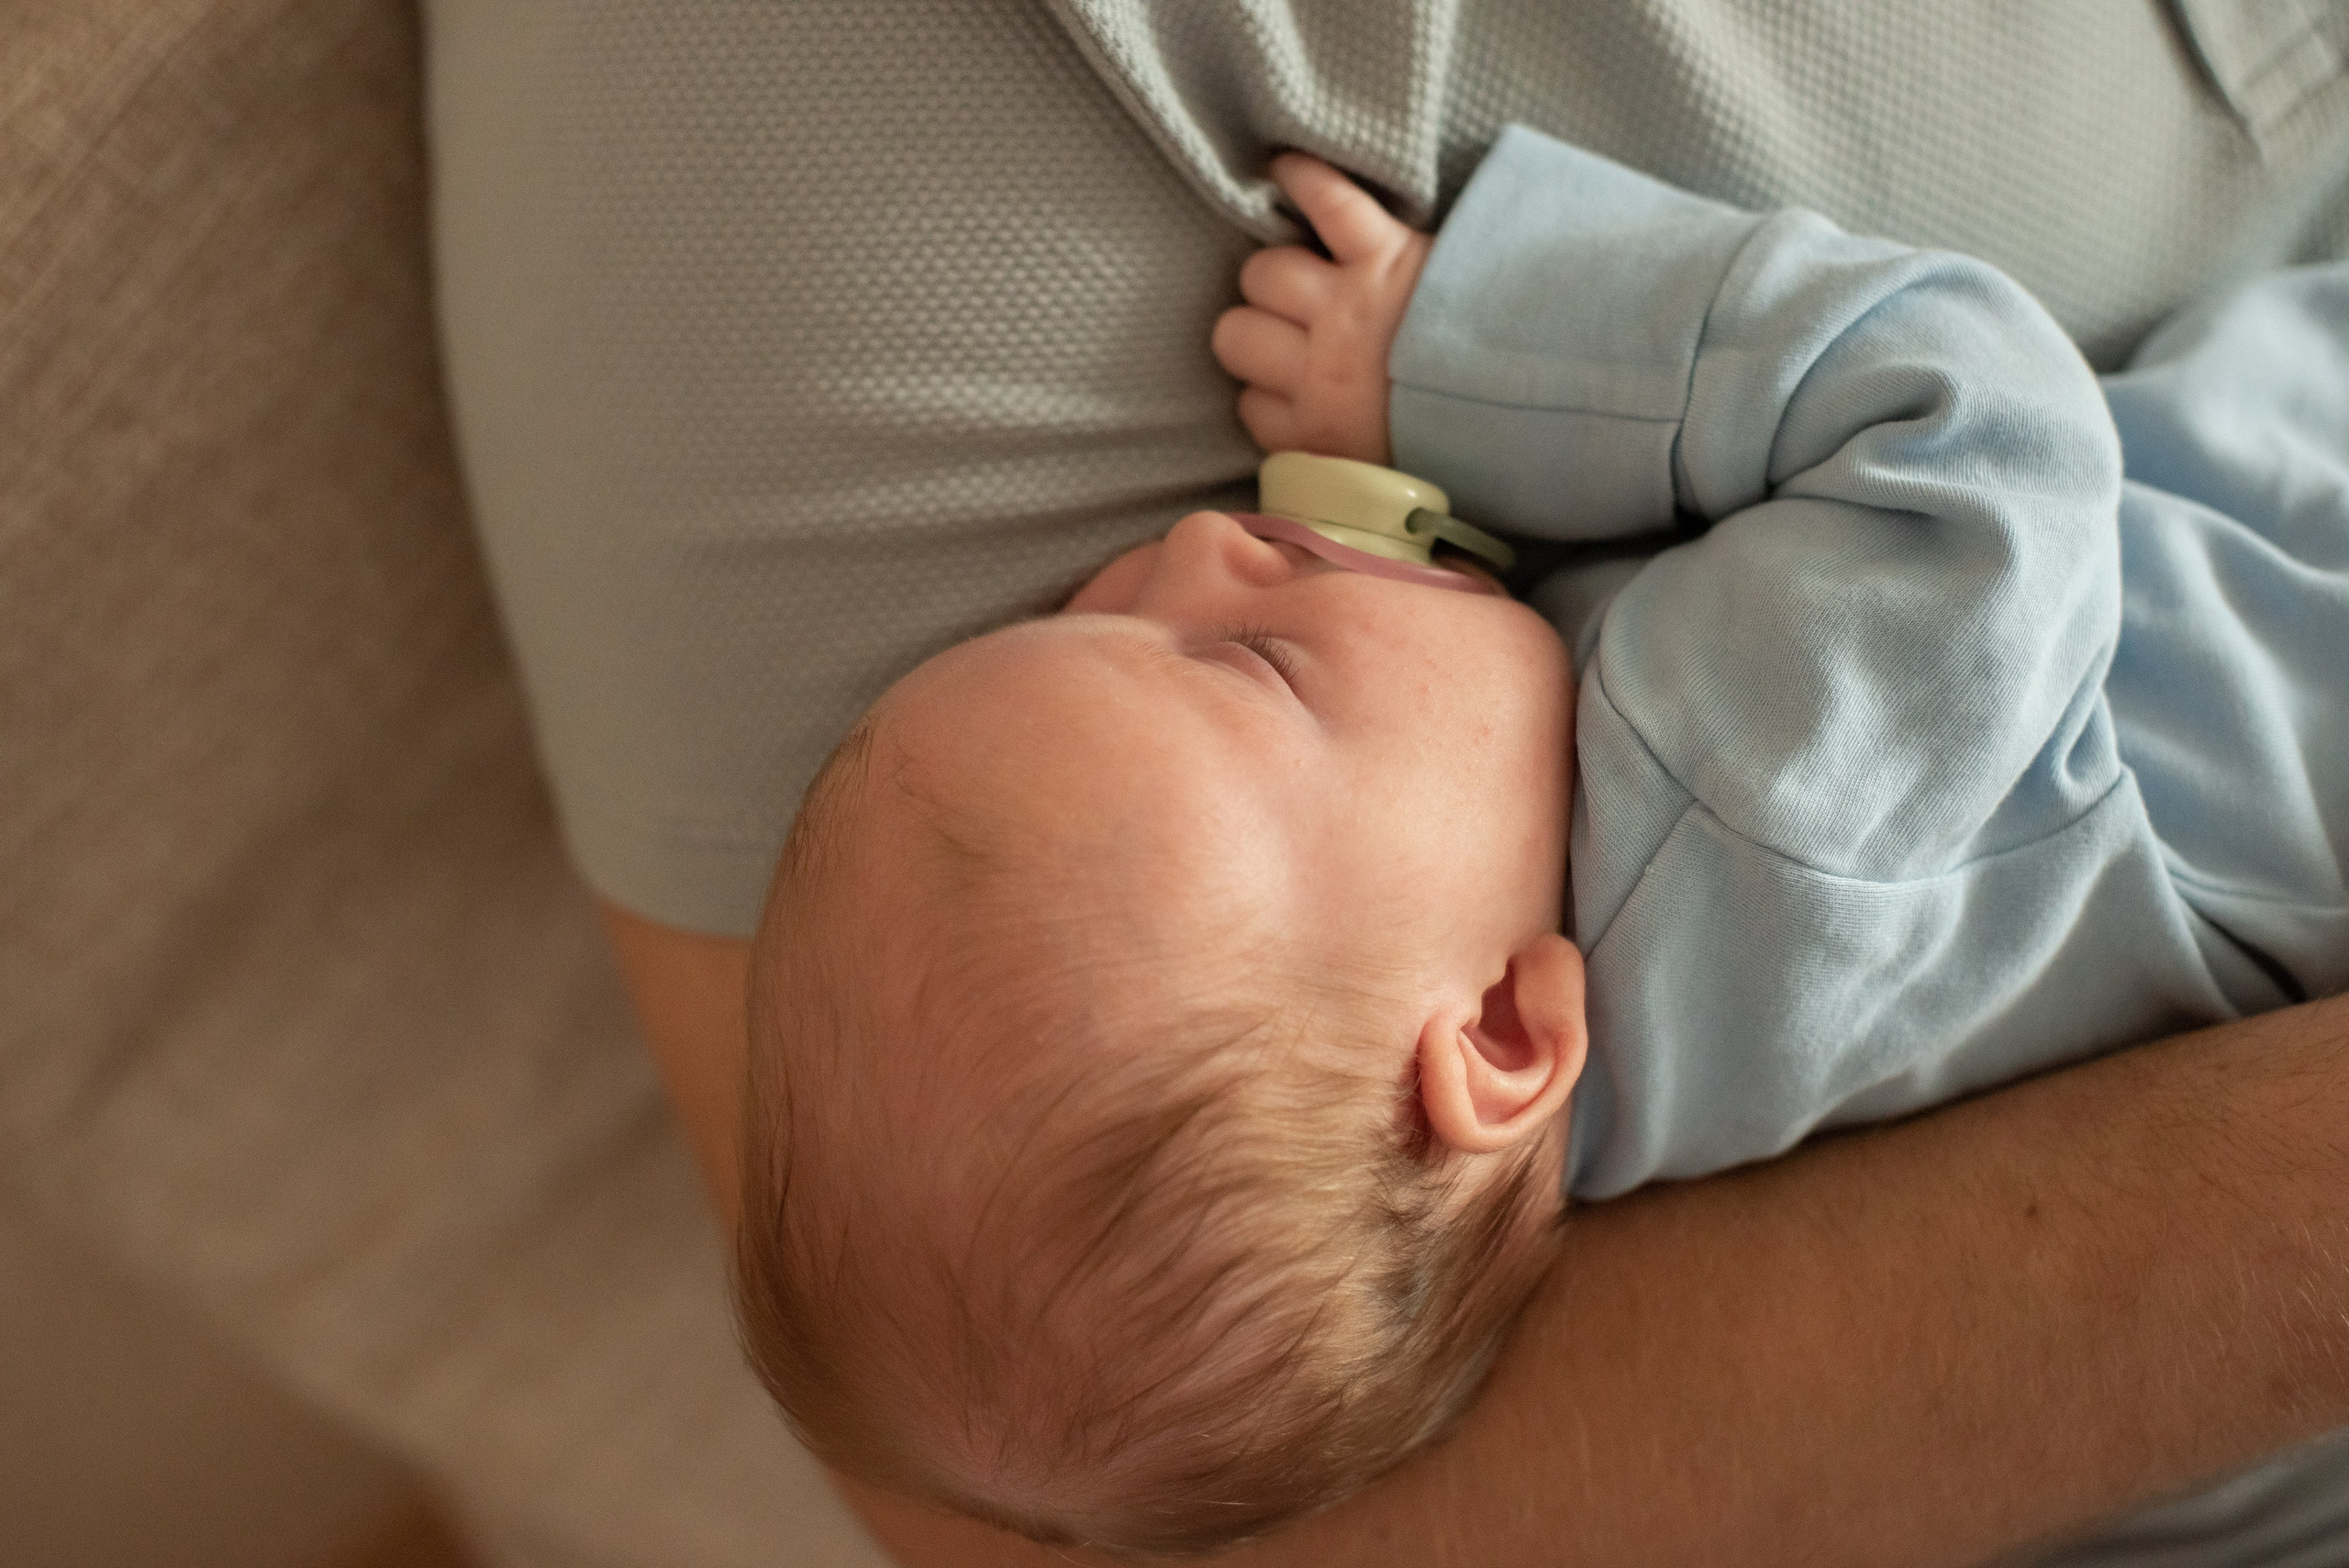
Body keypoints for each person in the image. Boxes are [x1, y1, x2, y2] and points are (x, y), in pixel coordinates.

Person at [429, 4, 2349, 1562]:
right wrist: (1460, 347)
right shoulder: (1746, 788)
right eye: (1248, 668)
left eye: (1105, 599)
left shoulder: (1478, 1138)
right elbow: (1975, 414)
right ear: (1499, 1039)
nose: (1204, 547)